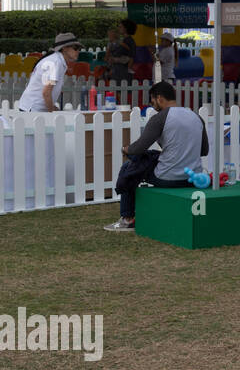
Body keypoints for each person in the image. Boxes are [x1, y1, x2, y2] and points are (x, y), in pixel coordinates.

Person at [104, 81, 208, 232]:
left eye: (152, 101)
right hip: (193, 178)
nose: (152, 105)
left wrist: (125, 149)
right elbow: (204, 151)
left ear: (159, 98)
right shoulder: (196, 117)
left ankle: (127, 219)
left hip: (167, 177)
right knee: (149, 158)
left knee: (129, 167)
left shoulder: (160, 118)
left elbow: (138, 148)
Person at [17, 33, 81, 112]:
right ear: (64, 48)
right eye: (75, 48)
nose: (78, 51)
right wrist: (51, 113)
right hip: (33, 110)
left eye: (79, 48)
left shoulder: (55, 60)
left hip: (30, 107)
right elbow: (46, 92)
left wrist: (52, 108)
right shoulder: (56, 63)